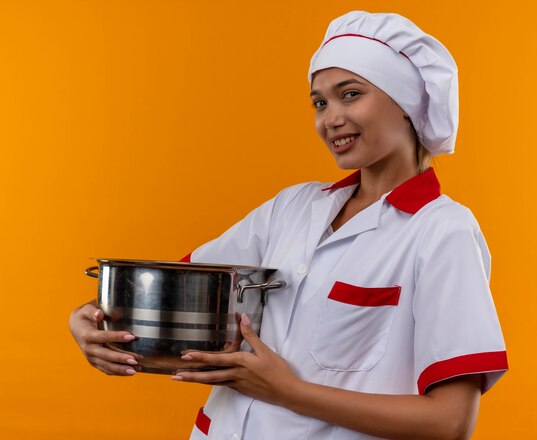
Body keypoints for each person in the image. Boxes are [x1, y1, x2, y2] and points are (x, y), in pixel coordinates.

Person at [69, 11, 508, 440]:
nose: (329, 118)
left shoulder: (442, 231)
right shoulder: (293, 207)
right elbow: (173, 293)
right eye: (319, 102)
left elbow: (449, 422)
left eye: (350, 94)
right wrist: (90, 321)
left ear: (407, 102)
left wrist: (287, 391)